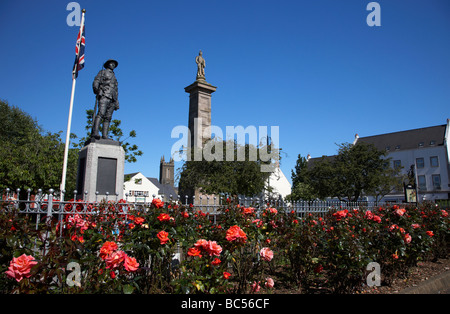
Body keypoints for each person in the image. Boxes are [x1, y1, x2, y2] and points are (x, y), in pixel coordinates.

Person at [91, 59, 119, 139]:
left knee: (108, 117)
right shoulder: (102, 72)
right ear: (108, 64)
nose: (113, 65)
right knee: (101, 114)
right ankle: (95, 132)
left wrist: (116, 101)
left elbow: (116, 89)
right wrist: (97, 90)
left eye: (114, 64)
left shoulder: (114, 76)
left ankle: (105, 135)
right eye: (111, 63)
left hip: (112, 98)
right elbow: (96, 81)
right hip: (104, 95)